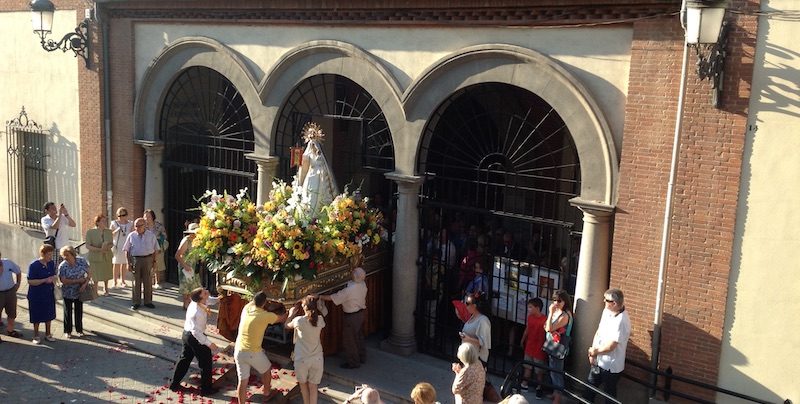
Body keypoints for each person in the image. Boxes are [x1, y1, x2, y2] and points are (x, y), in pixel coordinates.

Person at [234, 291, 288, 403]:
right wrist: (292, 311)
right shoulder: (265, 316)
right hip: (253, 352)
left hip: (239, 350)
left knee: (242, 382)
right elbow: (282, 318)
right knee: (267, 369)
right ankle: (267, 393)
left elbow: (252, 301)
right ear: (265, 303)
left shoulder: (246, 309)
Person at [582, 288, 631, 404]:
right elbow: (599, 332)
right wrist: (592, 351)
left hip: (611, 366)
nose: (604, 301)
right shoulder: (606, 312)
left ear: (614, 303)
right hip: (599, 360)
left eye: (606, 300)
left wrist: (596, 352)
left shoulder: (622, 320)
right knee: (589, 388)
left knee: (609, 395)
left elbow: (611, 346)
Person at [170, 287, 220, 396]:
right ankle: (206, 390)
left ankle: (173, 384)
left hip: (187, 334)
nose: (207, 292)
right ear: (201, 298)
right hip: (194, 336)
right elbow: (196, 332)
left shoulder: (199, 301)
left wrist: (219, 298)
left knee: (184, 359)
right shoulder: (196, 312)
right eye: (205, 292)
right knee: (205, 362)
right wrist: (209, 343)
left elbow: (209, 300)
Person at [317, 261, 368, 369]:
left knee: (350, 340)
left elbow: (333, 298)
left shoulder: (349, 290)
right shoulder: (362, 284)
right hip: (360, 314)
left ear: (354, 276)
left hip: (351, 317)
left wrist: (319, 296)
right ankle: (362, 356)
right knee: (358, 337)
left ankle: (354, 362)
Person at [285, 295, 326, 404]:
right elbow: (320, 318)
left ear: (304, 307)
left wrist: (290, 315)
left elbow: (286, 325)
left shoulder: (299, 321)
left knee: (303, 385)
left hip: (302, 358)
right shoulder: (320, 320)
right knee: (313, 387)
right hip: (317, 358)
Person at [459, 291, 499, 403]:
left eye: (467, 303)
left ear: (474, 306)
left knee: (475, 383)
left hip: (477, 358)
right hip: (470, 356)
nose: (465, 305)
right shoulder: (472, 317)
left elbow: (485, 342)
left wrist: (468, 339)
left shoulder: (483, 320)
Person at [295, 122, 338, 214]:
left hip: (319, 174)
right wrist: (298, 156)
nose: (311, 135)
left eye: (313, 133)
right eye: (310, 133)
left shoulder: (318, 149)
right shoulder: (308, 149)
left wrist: (316, 151)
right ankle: (308, 212)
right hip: (311, 173)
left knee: (318, 194)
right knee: (309, 192)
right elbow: (305, 161)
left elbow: (321, 160)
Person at [124, 217, 159, 310]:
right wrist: (128, 263)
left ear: (144, 226)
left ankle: (148, 301)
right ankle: (136, 302)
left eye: (140, 226)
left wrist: (155, 261)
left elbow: (156, 249)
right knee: (136, 281)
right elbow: (126, 250)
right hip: (136, 259)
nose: (137, 228)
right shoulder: (131, 236)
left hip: (148, 259)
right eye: (136, 226)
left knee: (148, 281)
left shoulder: (151, 235)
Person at [544, 289, 573, 404]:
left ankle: (557, 399)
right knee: (552, 371)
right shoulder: (558, 312)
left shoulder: (564, 315)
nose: (556, 303)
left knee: (557, 373)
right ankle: (556, 393)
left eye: (559, 301)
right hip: (552, 344)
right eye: (554, 300)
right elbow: (546, 325)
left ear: (565, 301)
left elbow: (549, 327)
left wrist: (550, 313)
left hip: (559, 347)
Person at [58, 246, 92, 339]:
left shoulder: (81, 261)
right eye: (63, 256)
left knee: (79, 310)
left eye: (67, 255)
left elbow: (89, 272)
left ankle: (79, 330)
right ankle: (67, 331)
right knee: (67, 311)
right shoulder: (63, 266)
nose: (65, 257)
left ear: (72, 254)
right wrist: (77, 281)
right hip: (67, 291)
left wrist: (85, 283)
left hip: (80, 290)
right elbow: (63, 280)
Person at [27, 244, 58, 344]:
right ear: (42, 254)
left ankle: (48, 334)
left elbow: (53, 275)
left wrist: (54, 278)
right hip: (37, 295)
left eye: (51, 254)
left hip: (48, 293)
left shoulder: (51, 263)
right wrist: (44, 280)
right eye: (49, 255)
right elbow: (30, 281)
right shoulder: (34, 265)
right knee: (37, 315)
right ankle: (36, 335)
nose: (50, 257)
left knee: (48, 314)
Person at [519, 298, 547, 398]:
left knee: (539, 369)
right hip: (530, 345)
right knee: (528, 365)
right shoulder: (530, 317)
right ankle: (525, 383)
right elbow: (528, 328)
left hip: (539, 347)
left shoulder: (544, 320)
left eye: (531, 307)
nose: (529, 309)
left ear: (537, 308)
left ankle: (540, 387)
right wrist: (523, 338)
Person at [85, 214, 114, 295]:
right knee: (95, 274)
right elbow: (87, 245)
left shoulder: (108, 232)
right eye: (103, 221)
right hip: (95, 256)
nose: (105, 222)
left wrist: (108, 247)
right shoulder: (90, 232)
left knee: (106, 272)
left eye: (105, 221)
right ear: (97, 222)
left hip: (106, 256)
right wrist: (99, 250)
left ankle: (106, 288)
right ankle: (95, 290)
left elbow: (111, 243)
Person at [41, 202, 76, 268]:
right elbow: (54, 226)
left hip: (65, 246)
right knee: (54, 267)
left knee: (66, 266)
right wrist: (60, 214)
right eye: (52, 208)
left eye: (55, 207)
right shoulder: (45, 219)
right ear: (47, 211)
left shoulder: (62, 217)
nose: (54, 209)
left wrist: (66, 214)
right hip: (54, 247)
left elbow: (73, 224)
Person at [175, 223, 202, 309]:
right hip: (186, 266)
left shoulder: (199, 241)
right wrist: (185, 266)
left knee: (195, 286)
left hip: (194, 266)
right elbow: (177, 255)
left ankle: (192, 304)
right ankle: (186, 304)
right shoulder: (186, 241)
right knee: (186, 287)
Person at [0, 251, 24, 341]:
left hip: (10, 291)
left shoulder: (8, 262)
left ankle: (10, 330)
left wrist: (18, 283)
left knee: (12, 312)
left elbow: (18, 271)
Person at [143, 209, 168, 289]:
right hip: (146, 249)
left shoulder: (159, 225)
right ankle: (147, 283)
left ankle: (157, 282)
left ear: (153, 217)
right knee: (147, 266)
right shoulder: (143, 226)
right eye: (145, 216)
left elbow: (164, 235)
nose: (147, 218)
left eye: (149, 216)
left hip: (158, 247)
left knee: (158, 264)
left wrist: (158, 238)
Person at [110, 207, 133, 288]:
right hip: (117, 245)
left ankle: (122, 280)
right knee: (116, 263)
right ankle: (114, 281)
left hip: (126, 245)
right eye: (119, 215)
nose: (121, 217)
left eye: (123, 215)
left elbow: (133, 234)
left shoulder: (130, 224)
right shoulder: (114, 223)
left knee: (124, 263)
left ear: (126, 215)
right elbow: (110, 235)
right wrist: (116, 231)